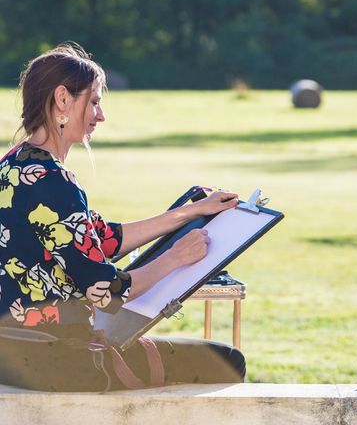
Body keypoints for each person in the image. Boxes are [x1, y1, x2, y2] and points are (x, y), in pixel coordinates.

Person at [0, 42, 246, 391]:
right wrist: (177, 257)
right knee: (229, 361)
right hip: (61, 362)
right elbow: (107, 291)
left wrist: (189, 212)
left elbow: (102, 239)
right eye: (95, 102)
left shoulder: (14, 167)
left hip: (11, 355)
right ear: (62, 100)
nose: (100, 116)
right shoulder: (54, 182)